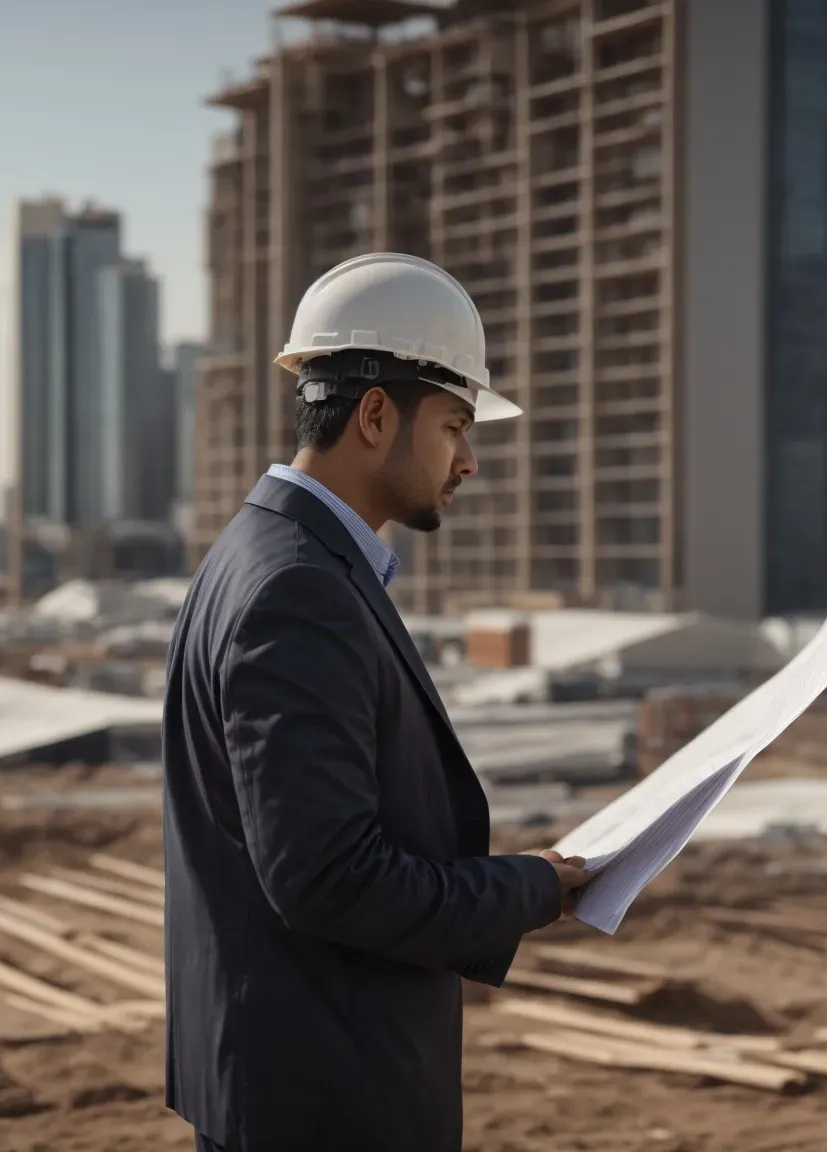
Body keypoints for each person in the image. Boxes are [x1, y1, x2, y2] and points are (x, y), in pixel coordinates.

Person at [162, 252, 591, 1152]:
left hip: (288, 1089)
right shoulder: (298, 590)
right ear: (373, 415)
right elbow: (329, 880)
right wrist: (530, 888)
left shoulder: (259, 555)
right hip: (328, 1107)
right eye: (455, 426)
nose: (468, 460)